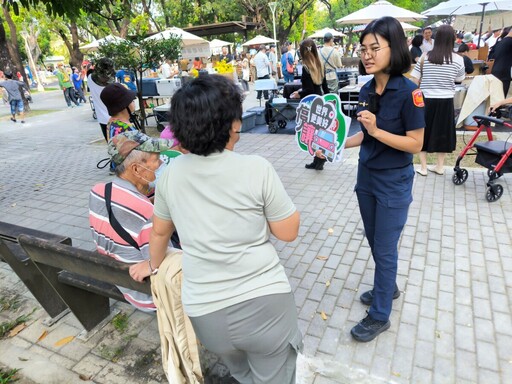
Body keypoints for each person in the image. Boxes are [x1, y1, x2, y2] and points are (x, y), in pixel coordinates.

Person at [130, 74, 302, 384]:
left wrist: (154, 266)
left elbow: (159, 233)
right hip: (266, 307)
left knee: (241, 373)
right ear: (231, 124)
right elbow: (288, 232)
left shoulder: (170, 175)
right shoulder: (257, 168)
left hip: (207, 315)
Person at [343, 17, 424, 342]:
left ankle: (379, 315)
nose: (367, 54)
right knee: (374, 238)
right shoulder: (365, 89)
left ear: (395, 48)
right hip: (367, 177)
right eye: (363, 49)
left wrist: (378, 130)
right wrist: (331, 146)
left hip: (394, 181)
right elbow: (365, 136)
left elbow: (416, 144)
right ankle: (387, 287)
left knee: (385, 248)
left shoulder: (410, 93)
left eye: (375, 48)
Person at [89, 131, 176, 312]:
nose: (160, 163)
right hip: (144, 293)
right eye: (156, 158)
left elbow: (127, 213)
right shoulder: (146, 212)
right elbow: (161, 262)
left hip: (117, 277)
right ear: (136, 169)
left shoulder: (97, 190)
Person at [411, 24, 465, 176]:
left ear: (437, 37)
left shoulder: (425, 57)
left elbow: (414, 78)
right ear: (452, 39)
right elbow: (459, 79)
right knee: (443, 132)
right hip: (446, 100)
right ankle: (439, 166)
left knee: (423, 131)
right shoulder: (458, 59)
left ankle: (423, 167)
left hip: (426, 99)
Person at [290, 39, 330, 171]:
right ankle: (318, 160)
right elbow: (325, 87)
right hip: (322, 100)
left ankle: (319, 160)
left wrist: (298, 93)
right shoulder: (320, 63)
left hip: (312, 102)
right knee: (320, 133)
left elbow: (309, 90)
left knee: (313, 134)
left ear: (302, 51)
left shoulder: (306, 67)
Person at [88, 58, 116, 142]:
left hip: (102, 119)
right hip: (116, 118)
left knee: (112, 146)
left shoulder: (89, 78)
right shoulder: (112, 86)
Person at [491, 27, 512, 97]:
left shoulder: (501, 41)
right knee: (501, 97)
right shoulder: (510, 42)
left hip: (496, 71)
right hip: (504, 73)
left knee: (495, 97)